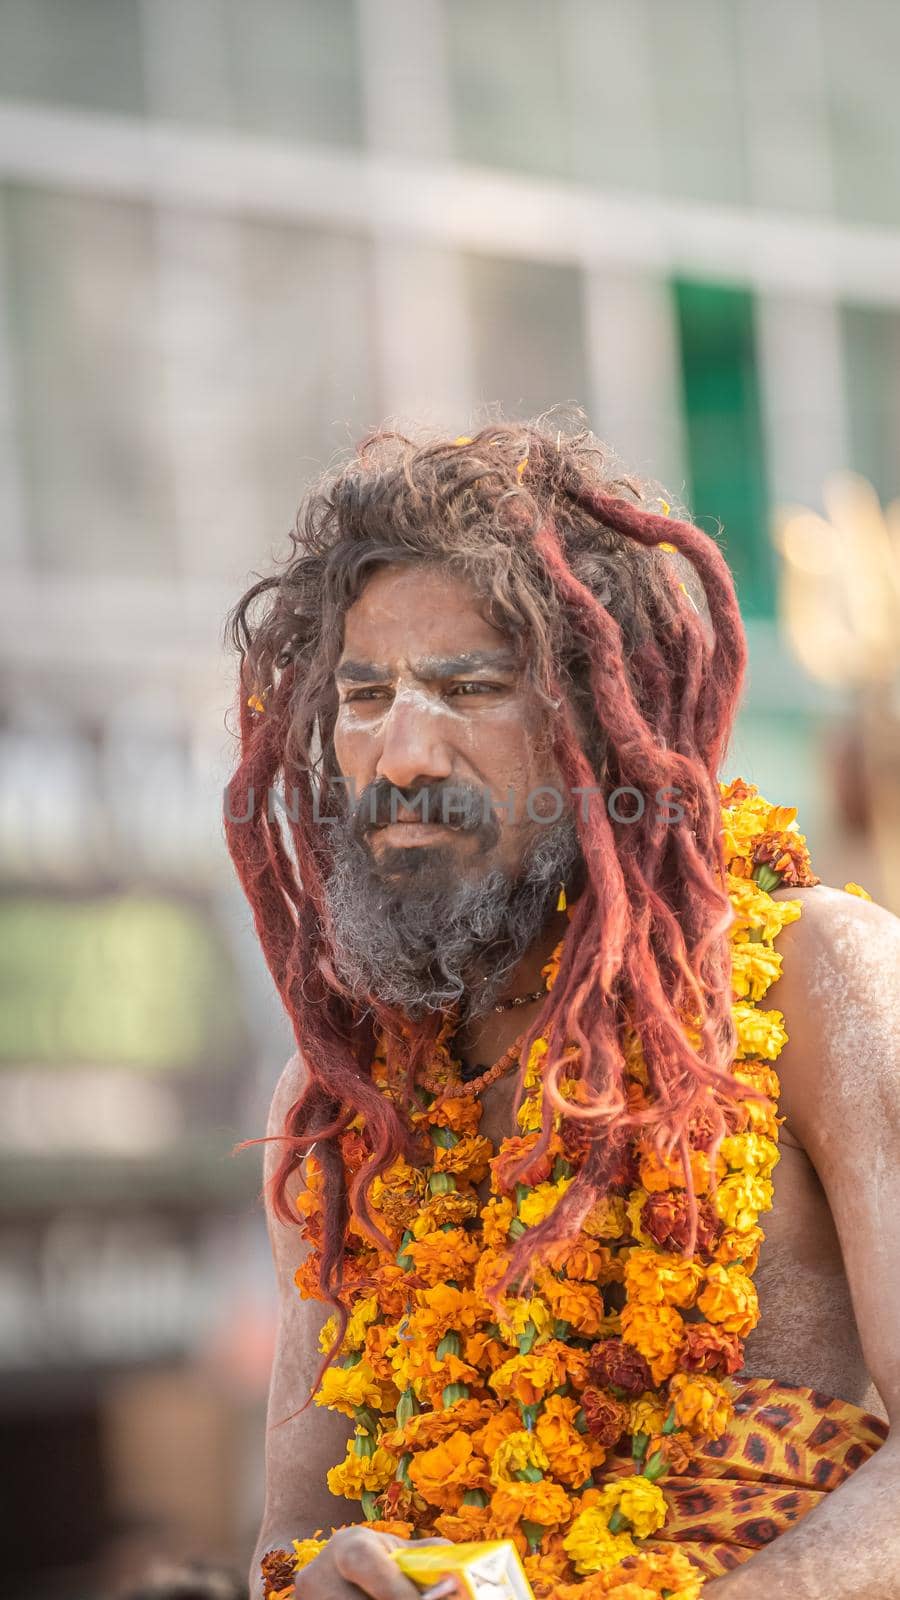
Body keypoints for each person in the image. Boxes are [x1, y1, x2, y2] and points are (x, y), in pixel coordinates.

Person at [223, 419, 899, 1600]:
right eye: (365, 693)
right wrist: (320, 1578)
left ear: (599, 719)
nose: (404, 752)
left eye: (468, 688)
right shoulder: (339, 1099)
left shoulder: (815, 977)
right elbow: (291, 1534)